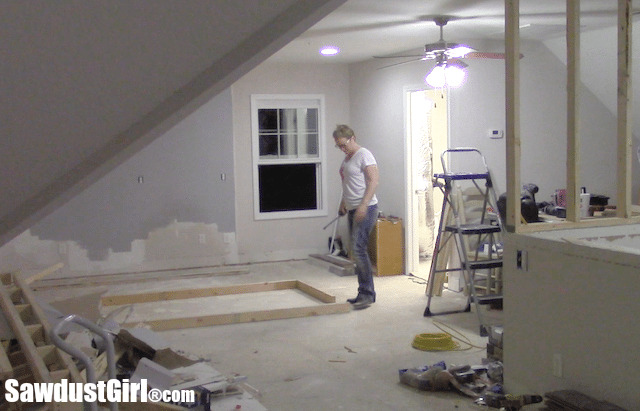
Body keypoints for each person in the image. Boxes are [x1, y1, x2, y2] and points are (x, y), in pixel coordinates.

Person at [333, 124, 379, 309]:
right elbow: (348, 183)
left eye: (344, 144)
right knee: (356, 250)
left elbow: (373, 180)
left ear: (352, 138)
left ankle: (367, 294)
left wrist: (363, 204)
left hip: (366, 208)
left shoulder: (364, 154)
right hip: (352, 208)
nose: (342, 148)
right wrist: (344, 203)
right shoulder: (347, 158)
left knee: (359, 249)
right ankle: (363, 292)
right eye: (339, 146)